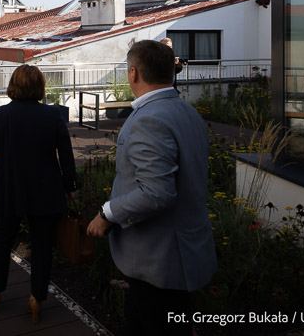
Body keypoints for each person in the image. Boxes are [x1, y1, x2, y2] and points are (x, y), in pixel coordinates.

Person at [87, 40, 216, 336]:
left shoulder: (149, 120)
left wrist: (106, 214)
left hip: (159, 259)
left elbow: (156, 192)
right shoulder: (186, 111)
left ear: (133, 74)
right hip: (178, 253)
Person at [0, 65, 77, 324]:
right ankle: (37, 298)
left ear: (13, 85)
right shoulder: (53, 115)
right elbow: (66, 156)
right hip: (46, 189)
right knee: (42, 245)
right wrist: (70, 187)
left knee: (2, 239)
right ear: (40, 87)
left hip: (11, 189)